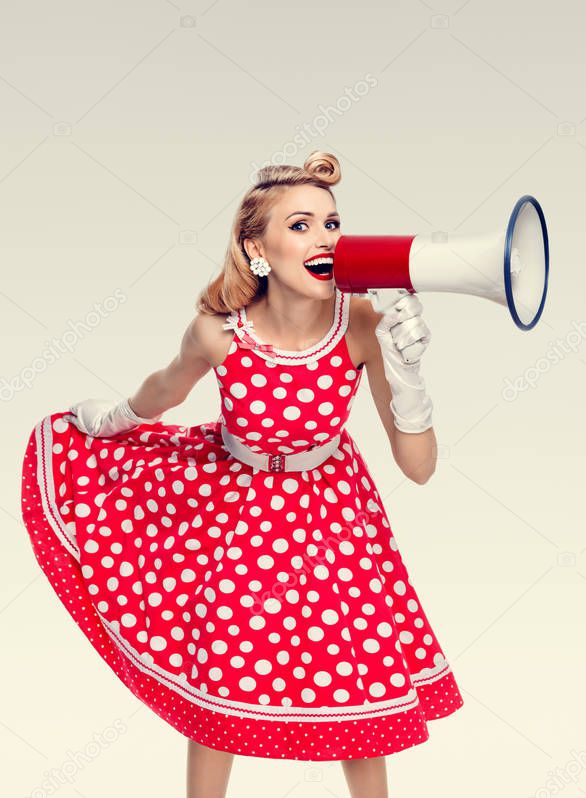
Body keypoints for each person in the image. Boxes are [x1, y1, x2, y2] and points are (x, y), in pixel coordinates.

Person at [20, 150, 464, 798]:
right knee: (221, 674)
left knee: (358, 675)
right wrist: (108, 418)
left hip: (332, 516)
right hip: (237, 512)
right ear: (257, 248)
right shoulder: (218, 332)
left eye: (333, 224)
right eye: (302, 225)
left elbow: (418, 469)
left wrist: (409, 374)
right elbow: (163, 391)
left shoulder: (361, 325)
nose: (325, 240)